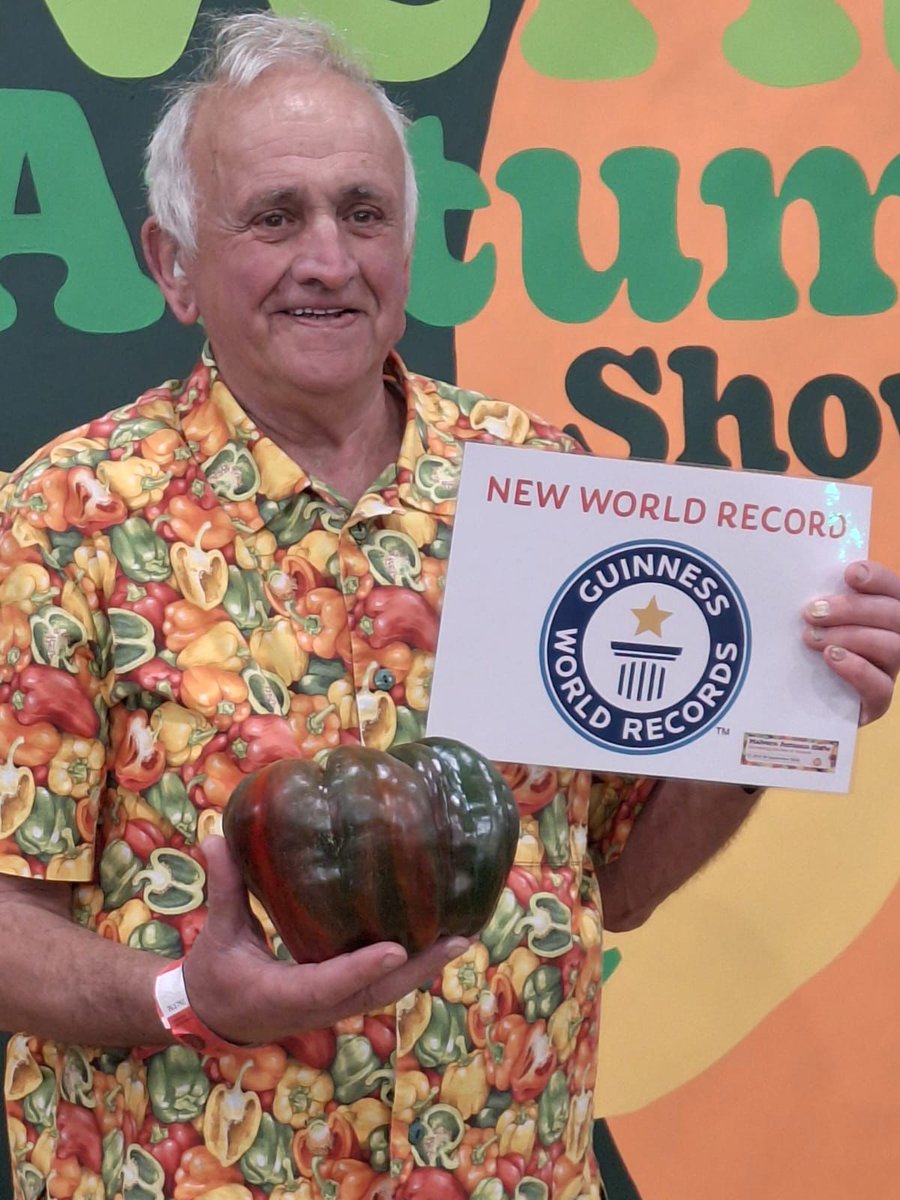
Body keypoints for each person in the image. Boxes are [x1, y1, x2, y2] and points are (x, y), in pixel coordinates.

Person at [1, 12, 898, 1200]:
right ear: (173, 265)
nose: (329, 256)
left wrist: (780, 711)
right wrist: (182, 996)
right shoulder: (59, 518)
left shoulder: (549, 484)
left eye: (363, 213)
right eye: (276, 216)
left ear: (409, 248)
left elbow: (614, 881)